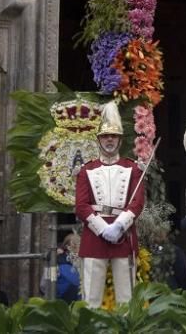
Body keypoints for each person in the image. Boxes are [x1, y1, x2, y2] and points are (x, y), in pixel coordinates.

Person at [74, 101, 146, 308]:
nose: (109, 140)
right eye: (105, 136)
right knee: (91, 300)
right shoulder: (86, 169)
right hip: (94, 235)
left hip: (124, 235)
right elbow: (81, 205)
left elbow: (137, 202)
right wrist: (103, 229)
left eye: (113, 136)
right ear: (98, 140)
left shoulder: (133, 169)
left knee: (127, 298)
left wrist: (119, 225)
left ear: (120, 140)